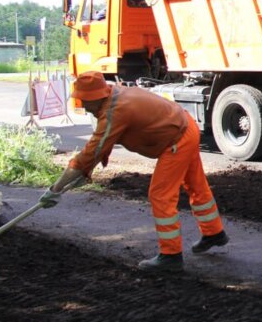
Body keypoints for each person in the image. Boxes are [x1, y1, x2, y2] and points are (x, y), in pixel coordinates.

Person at [39, 71, 227, 273]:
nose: (83, 106)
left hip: (176, 140)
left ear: (96, 97)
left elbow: (90, 152)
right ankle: (214, 233)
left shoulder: (116, 111)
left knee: (160, 195)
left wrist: (55, 189)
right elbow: (101, 147)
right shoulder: (115, 95)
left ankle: (171, 256)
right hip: (185, 127)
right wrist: (85, 173)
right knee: (196, 185)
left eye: (84, 101)